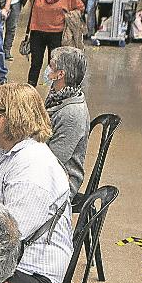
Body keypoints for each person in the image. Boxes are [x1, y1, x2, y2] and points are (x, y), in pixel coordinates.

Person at [0, 83, 73, 283]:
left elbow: (8, 237)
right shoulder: (14, 155)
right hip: (21, 260)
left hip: (37, 277)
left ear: (8, 119)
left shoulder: (32, 170)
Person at [22, 0, 83, 86]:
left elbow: (80, 7)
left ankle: (54, 90)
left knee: (55, 64)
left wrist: (69, 17)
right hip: (37, 32)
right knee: (35, 63)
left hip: (57, 33)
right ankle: (30, 90)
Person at [44, 47, 91, 197]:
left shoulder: (71, 114)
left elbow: (53, 161)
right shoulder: (58, 96)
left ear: (60, 74)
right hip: (50, 172)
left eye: (51, 65)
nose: (47, 68)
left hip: (62, 182)